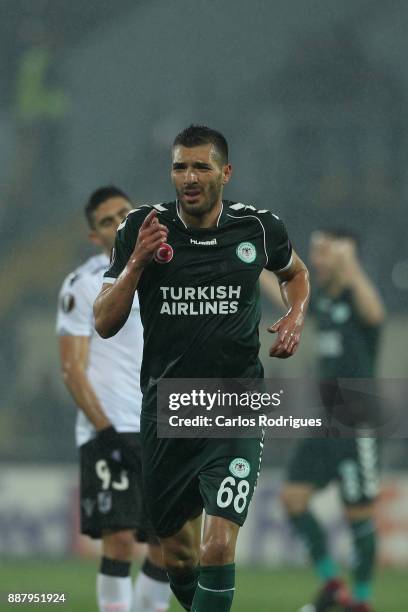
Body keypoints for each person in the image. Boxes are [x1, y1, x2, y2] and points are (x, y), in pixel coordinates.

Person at [93, 125, 310, 612]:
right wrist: (136, 265)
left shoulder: (258, 227)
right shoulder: (141, 229)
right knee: (181, 557)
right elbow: (104, 323)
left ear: (225, 173)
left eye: (200, 166)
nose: (188, 177)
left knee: (216, 546)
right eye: (179, 167)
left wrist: (296, 313)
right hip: (166, 409)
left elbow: (295, 272)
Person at [56, 186, 172, 612]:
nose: (120, 222)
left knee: (167, 543)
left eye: (125, 213)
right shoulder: (82, 286)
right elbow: (72, 370)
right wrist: (106, 433)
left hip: (161, 425)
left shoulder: (164, 273)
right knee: (121, 539)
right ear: (95, 236)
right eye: (108, 220)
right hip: (110, 430)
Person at [275, 229, 385, 612]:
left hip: (359, 426)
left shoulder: (359, 300)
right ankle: (332, 583)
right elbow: (283, 296)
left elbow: (376, 316)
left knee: (359, 516)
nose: (316, 258)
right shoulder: (320, 301)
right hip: (325, 424)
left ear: (344, 255)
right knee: (292, 499)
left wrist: (349, 262)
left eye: (323, 251)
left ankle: (363, 601)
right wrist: (246, 254)